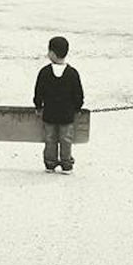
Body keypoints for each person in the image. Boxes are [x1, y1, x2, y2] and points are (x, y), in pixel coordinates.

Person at [34, 36, 84, 173]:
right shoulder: (72, 73)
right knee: (66, 139)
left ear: (52, 53)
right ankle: (66, 163)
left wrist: (38, 106)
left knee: (50, 139)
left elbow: (38, 92)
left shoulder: (44, 72)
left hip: (49, 114)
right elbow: (78, 93)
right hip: (67, 115)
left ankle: (50, 163)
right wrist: (78, 107)